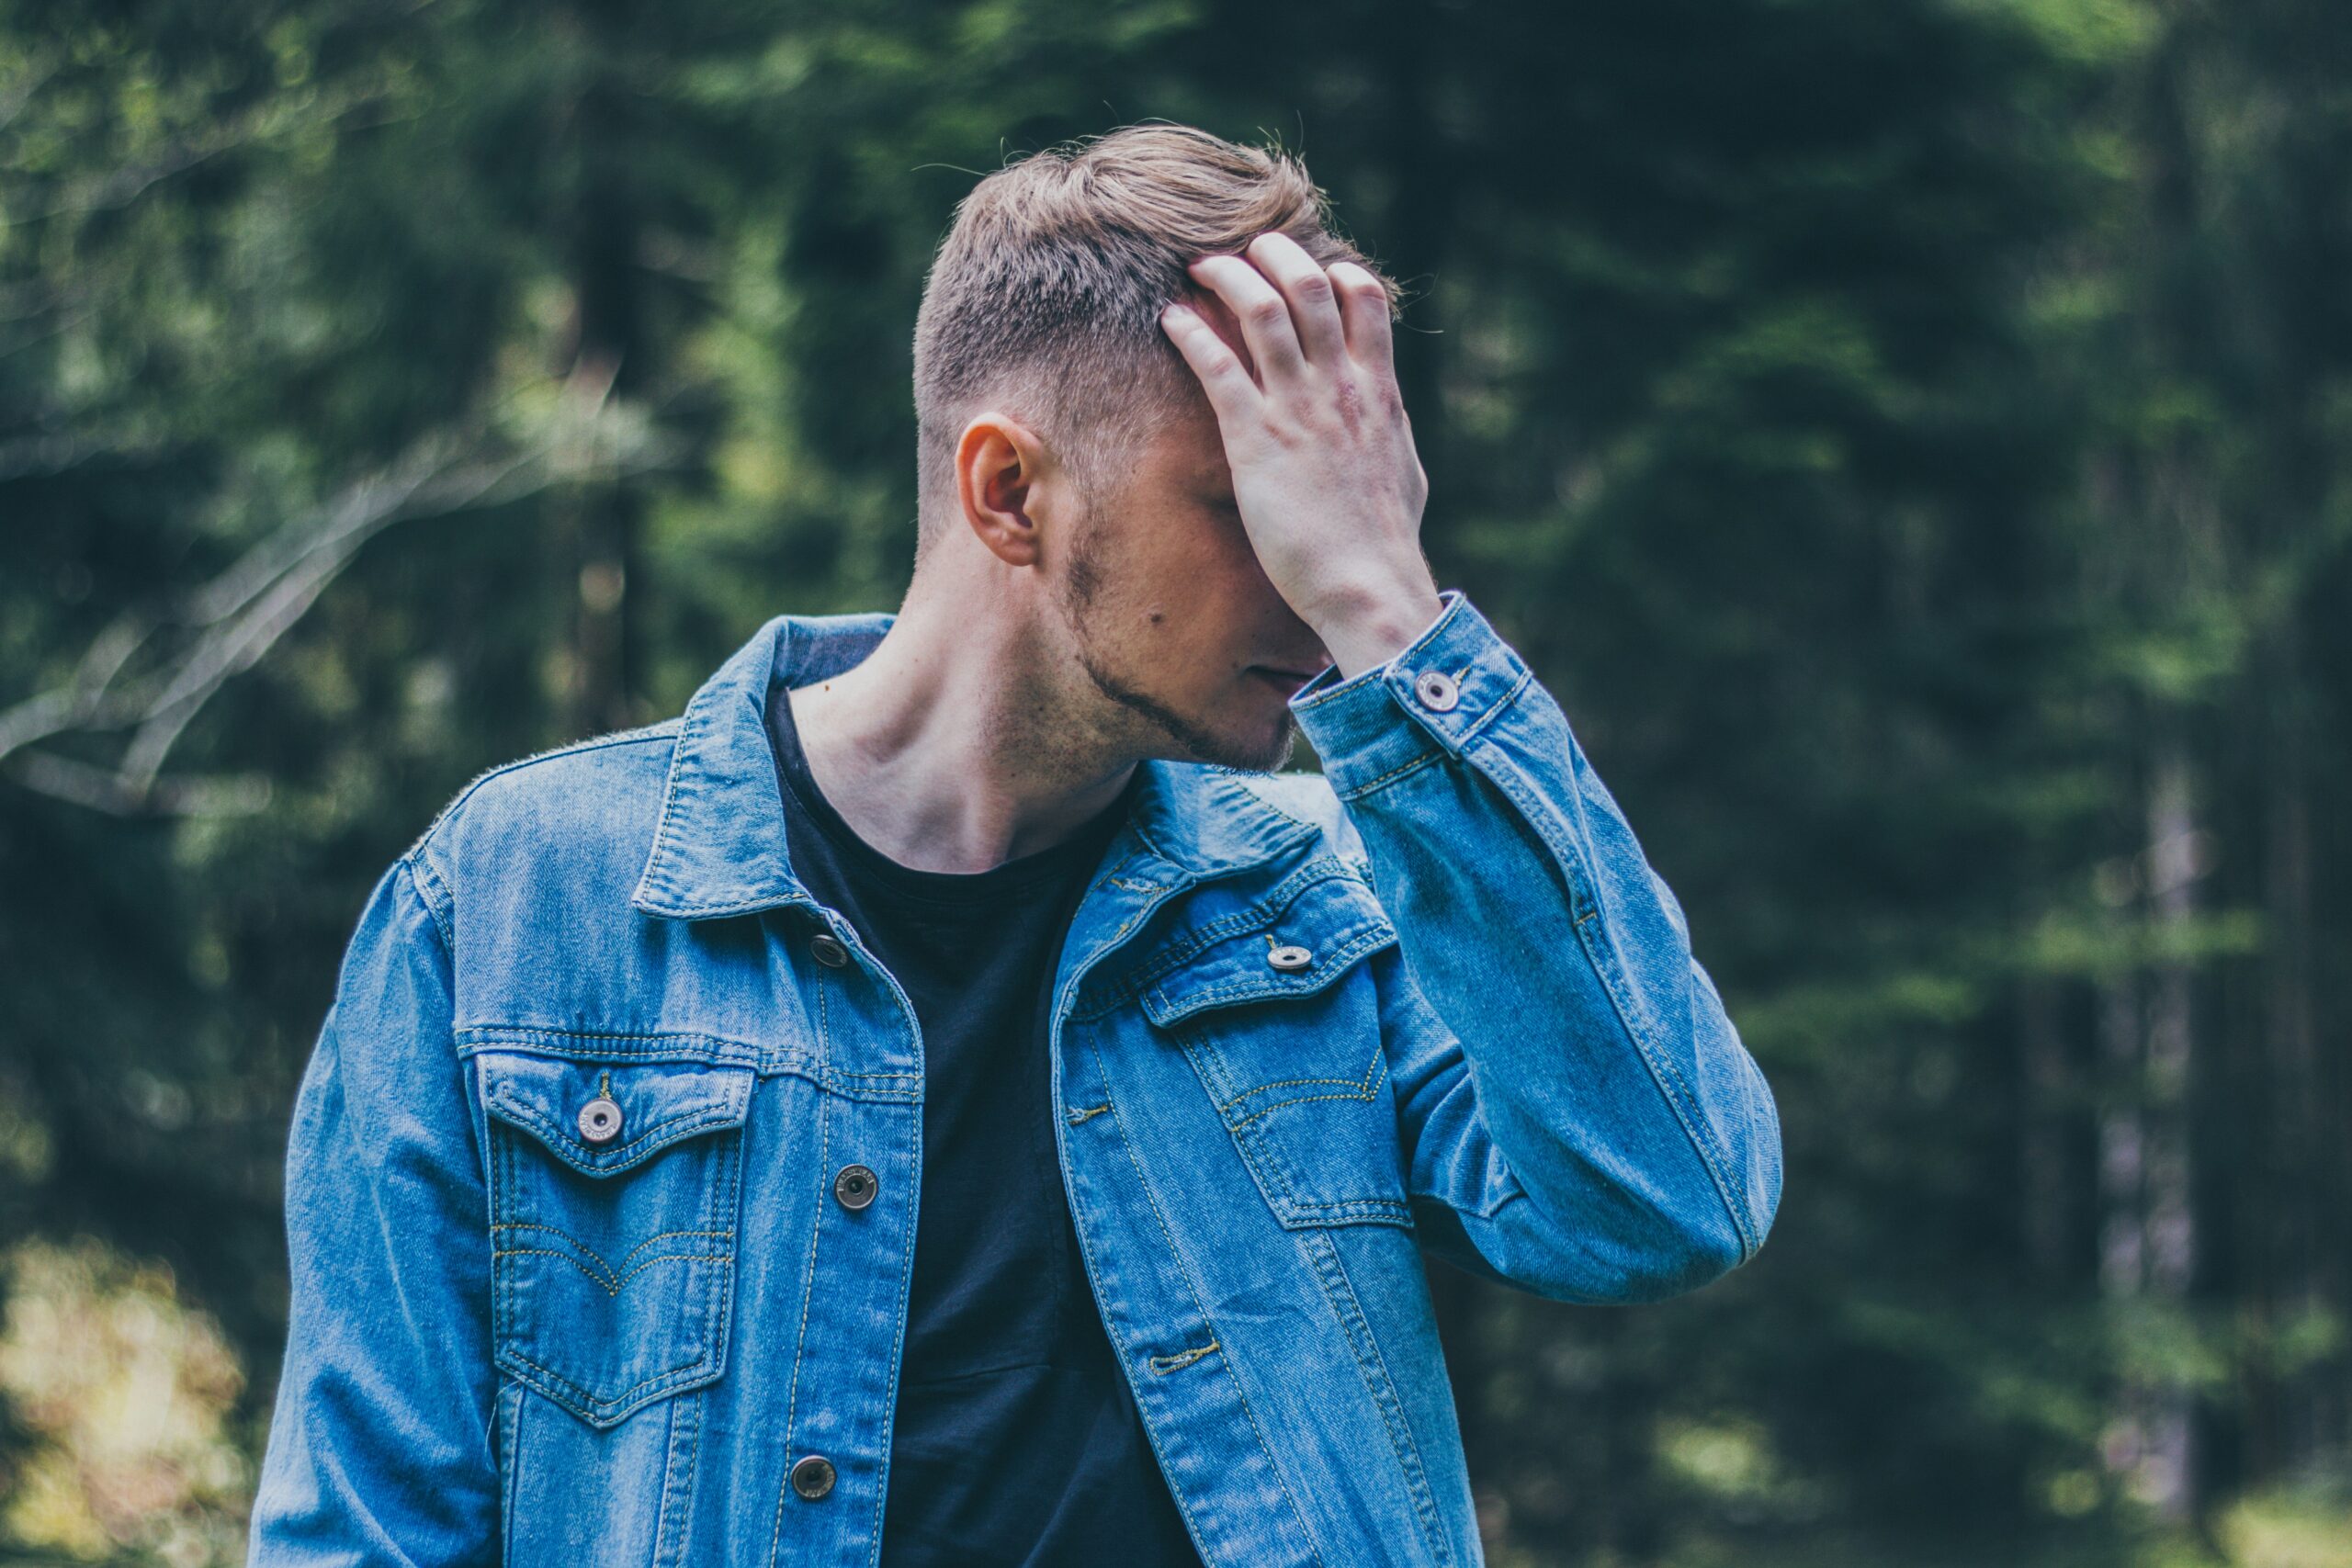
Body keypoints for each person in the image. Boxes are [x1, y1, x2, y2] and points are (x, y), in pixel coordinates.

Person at [245, 121, 1783, 1567]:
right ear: (1007, 492)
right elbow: (367, 1530)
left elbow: (1664, 1200)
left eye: (1347, 518)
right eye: (1256, 506)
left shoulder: (1332, 899)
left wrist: (1398, 613)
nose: (1315, 587)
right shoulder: (515, 906)